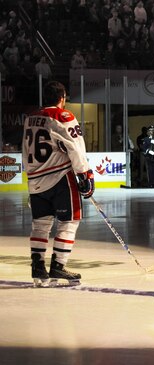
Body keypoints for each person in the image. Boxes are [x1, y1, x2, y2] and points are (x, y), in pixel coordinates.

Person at [22, 80, 94, 287]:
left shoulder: (30, 118)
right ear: (62, 98)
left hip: (35, 180)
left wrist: (32, 176)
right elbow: (75, 147)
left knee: (41, 223)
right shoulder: (63, 116)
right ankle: (58, 266)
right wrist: (85, 174)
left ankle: (37, 267)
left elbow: (25, 151)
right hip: (60, 178)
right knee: (70, 221)